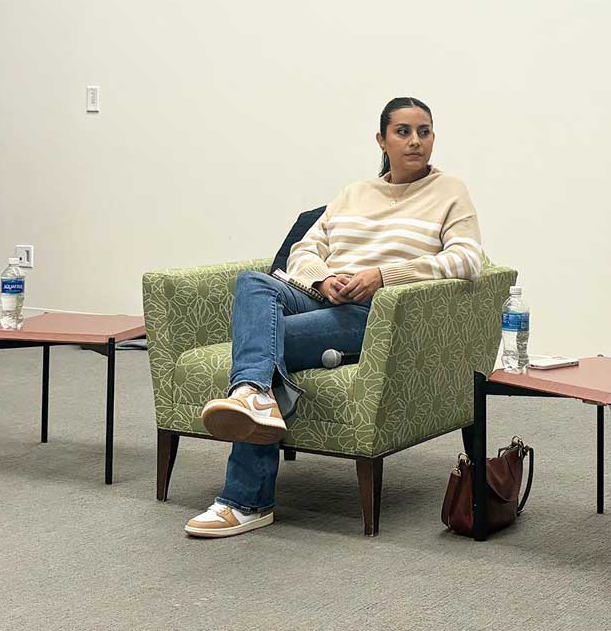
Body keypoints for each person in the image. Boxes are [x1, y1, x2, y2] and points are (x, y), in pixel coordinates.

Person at [185, 96, 485, 537]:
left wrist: (381, 276)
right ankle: (253, 394)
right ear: (382, 140)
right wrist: (323, 281)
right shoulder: (353, 193)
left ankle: (246, 500)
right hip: (326, 297)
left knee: (265, 342)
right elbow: (304, 250)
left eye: (424, 131)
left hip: (376, 315)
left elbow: (467, 260)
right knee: (254, 282)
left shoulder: (449, 191)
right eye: (403, 131)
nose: (415, 141)